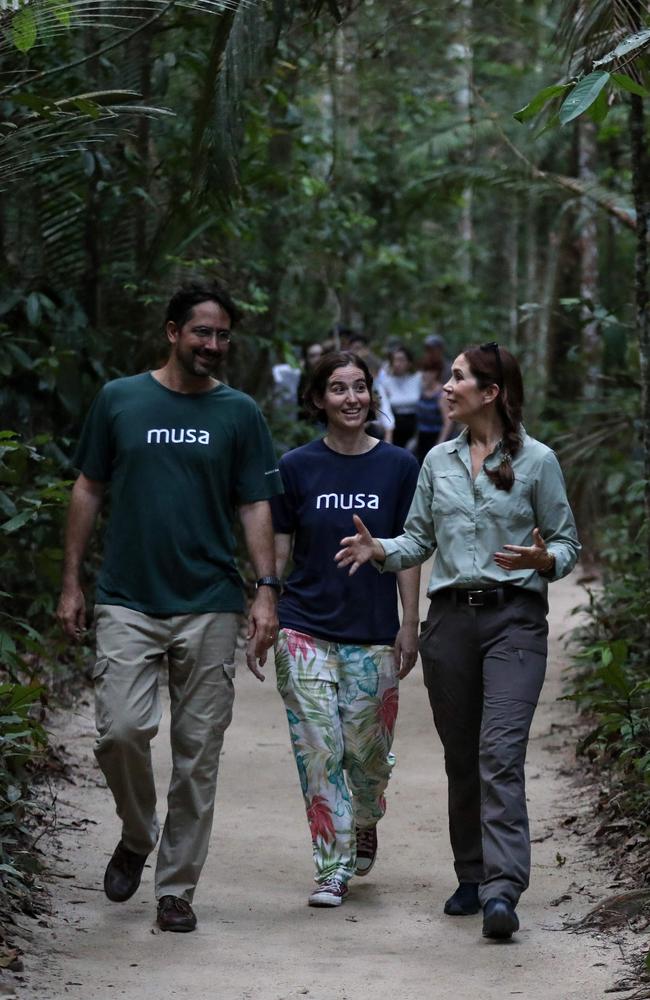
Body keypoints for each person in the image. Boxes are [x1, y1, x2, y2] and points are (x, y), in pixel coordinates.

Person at [56, 282, 283, 933]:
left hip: (210, 599)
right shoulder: (120, 399)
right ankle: (136, 832)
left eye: (222, 336)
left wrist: (266, 590)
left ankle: (176, 888)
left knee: (198, 749)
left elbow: (254, 504)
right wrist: (72, 582)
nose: (212, 346)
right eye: (201, 333)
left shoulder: (239, 412)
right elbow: (88, 487)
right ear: (171, 331)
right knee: (120, 730)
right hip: (127, 596)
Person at [335, 342, 580, 939]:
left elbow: (569, 546)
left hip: (514, 620)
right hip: (448, 625)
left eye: (460, 378)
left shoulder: (538, 461)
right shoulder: (437, 463)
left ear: (490, 393)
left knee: (500, 752)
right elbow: (417, 540)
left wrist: (545, 557)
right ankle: (470, 876)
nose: (446, 386)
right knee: (462, 756)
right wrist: (379, 551)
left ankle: (502, 889)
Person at [265, 351, 421, 907]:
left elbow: (408, 550)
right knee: (319, 749)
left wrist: (409, 624)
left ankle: (365, 814)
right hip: (304, 626)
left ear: (371, 395)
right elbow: (281, 550)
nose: (351, 398)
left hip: (373, 632)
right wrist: (265, 609)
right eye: (337, 388)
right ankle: (331, 866)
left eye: (359, 387)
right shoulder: (295, 467)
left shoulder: (400, 467)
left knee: (367, 756)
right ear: (317, 399)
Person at [378, 345, 422, 449]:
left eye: (401, 360)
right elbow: (385, 408)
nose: (397, 364)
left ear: (409, 363)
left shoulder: (418, 379)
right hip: (393, 426)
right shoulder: (385, 382)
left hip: (416, 425)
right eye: (395, 360)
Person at [415, 363, 452, 464]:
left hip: (435, 436)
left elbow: (448, 423)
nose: (424, 374)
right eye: (423, 371)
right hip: (422, 437)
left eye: (427, 371)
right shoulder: (422, 390)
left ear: (435, 373)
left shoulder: (442, 394)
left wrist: (439, 444)